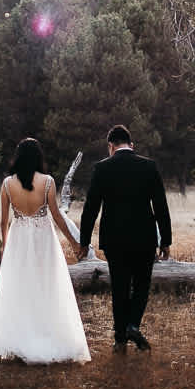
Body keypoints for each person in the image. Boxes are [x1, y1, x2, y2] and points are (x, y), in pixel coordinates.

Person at [0, 138, 90, 364]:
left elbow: (4, 222)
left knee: (21, 288)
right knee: (46, 286)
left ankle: (21, 340)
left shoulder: (6, 185)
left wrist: (5, 249)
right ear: (38, 158)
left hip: (18, 242)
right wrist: (74, 242)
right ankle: (47, 336)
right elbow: (56, 216)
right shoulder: (48, 182)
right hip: (44, 241)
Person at [77, 124, 172, 354]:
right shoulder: (149, 166)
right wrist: (165, 240)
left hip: (114, 240)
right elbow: (160, 205)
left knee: (119, 287)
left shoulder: (102, 168)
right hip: (144, 238)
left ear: (111, 146)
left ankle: (120, 338)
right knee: (141, 285)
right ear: (131, 144)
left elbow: (91, 208)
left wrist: (84, 241)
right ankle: (132, 325)